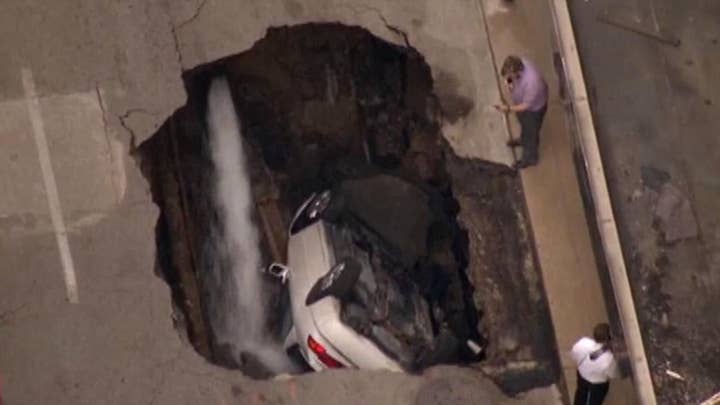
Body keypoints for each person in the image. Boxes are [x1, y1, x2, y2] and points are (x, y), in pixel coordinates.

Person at [494, 55, 548, 169]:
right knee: (524, 126)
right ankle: (523, 140)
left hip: (533, 111)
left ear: (517, 72)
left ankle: (530, 158)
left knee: (531, 134)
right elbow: (510, 79)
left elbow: (526, 106)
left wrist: (508, 109)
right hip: (519, 103)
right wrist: (509, 83)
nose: (509, 78)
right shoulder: (519, 66)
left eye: (510, 76)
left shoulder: (533, 83)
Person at [571, 323, 620, 405]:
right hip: (597, 384)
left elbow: (574, 354)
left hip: (581, 375)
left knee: (580, 395)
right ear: (608, 339)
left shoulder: (583, 342)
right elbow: (613, 374)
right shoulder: (608, 359)